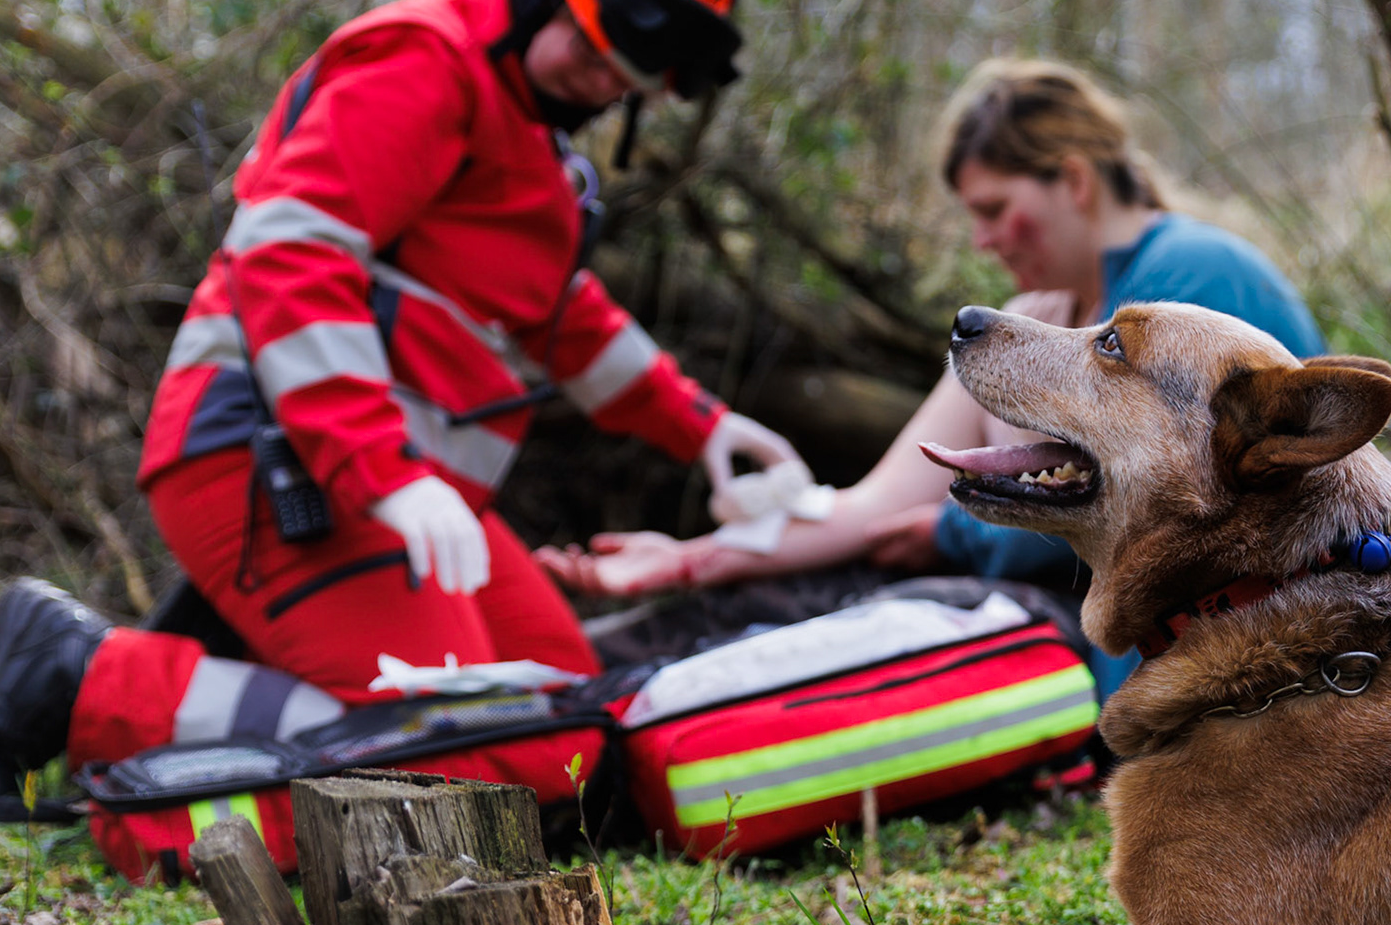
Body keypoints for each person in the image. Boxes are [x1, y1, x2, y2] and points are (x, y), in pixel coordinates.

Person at [0, 0, 800, 806]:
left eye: (629, 67)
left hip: (385, 483)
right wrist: (382, 472)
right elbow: (290, 258)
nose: (606, 78)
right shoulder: (423, 62)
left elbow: (560, 317)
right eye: (592, 43)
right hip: (276, 461)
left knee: (566, 719)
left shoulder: (530, 142)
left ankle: (178, 696)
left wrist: (703, 427)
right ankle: (88, 682)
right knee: (492, 750)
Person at [537, 58, 1325, 697]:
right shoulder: (1043, 312)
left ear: (1074, 181)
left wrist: (948, 534)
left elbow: (1169, 504)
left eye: (995, 208)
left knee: (885, 621)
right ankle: (559, 695)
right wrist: (692, 559)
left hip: (1186, 652)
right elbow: (872, 509)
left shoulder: (1190, 283)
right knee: (806, 592)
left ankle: (614, 727)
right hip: (1064, 612)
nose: (982, 240)